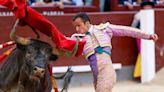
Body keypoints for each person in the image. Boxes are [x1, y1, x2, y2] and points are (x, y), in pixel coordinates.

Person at [71, 12, 158, 92]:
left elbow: (127, 30)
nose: (77, 29)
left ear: (87, 23)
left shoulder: (104, 29)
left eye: (79, 25)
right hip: (96, 75)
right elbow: (65, 45)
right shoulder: (78, 38)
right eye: (75, 27)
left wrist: (148, 35)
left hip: (106, 71)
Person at [0, 0, 86, 57]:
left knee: (54, 32)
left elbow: (21, 15)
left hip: (33, 19)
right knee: (54, 32)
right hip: (33, 19)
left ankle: (71, 44)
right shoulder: (23, 8)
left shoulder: (22, 8)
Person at [131, 0, 155, 78]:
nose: (148, 7)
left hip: (153, 36)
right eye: (146, 6)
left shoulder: (155, 13)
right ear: (143, 7)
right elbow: (133, 28)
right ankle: (140, 74)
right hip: (141, 37)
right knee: (143, 53)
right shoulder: (138, 15)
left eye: (149, 6)